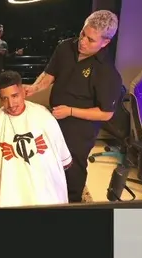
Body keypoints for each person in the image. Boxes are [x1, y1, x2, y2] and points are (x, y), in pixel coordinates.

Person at [24, 10, 122, 203]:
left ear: (105, 42)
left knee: (73, 165)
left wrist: (70, 111)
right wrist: (34, 88)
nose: (82, 41)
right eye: (82, 34)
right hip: (55, 116)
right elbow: (49, 74)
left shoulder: (107, 72)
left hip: (81, 126)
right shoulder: (65, 47)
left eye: (90, 40)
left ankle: (72, 202)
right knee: (48, 158)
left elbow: (106, 114)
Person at [0, 71, 72, 208]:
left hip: (42, 186)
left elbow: (61, 156)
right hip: (8, 188)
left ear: (23, 92)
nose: (11, 104)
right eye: (5, 98)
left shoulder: (43, 115)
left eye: (15, 96)